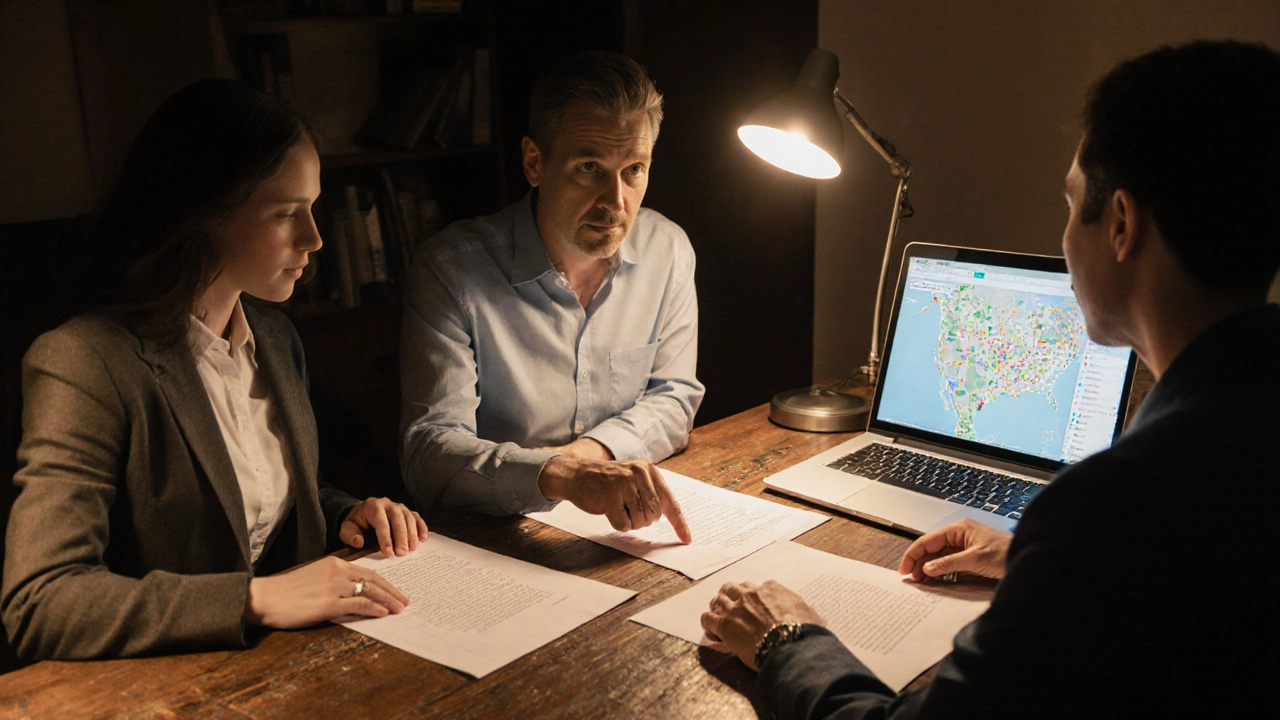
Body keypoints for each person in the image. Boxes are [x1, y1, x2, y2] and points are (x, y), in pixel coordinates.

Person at [700, 40, 1280, 717]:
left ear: (1122, 224)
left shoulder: (1111, 510)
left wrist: (785, 638)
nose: (1065, 237)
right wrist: (1034, 562)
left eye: (1071, 206)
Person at [2, 79, 429, 662]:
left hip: (279, 665)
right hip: (158, 683)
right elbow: (41, 602)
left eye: (312, 208)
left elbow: (253, 504)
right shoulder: (85, 362)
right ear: (201, 212)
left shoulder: (274, 339)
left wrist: (343, 514)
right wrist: (254, 600)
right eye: (287, 213)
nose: (314, 238)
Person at [400, 51, 703, 542]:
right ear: (534, 162)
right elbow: (429, 454)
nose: (616, 201)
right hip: (494, 538)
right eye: (590, 167)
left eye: (633, 170)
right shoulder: (451, 271)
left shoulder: (667, 251)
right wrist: (562, 477)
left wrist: (588, 459)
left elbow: (675, 398)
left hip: (623, 528)